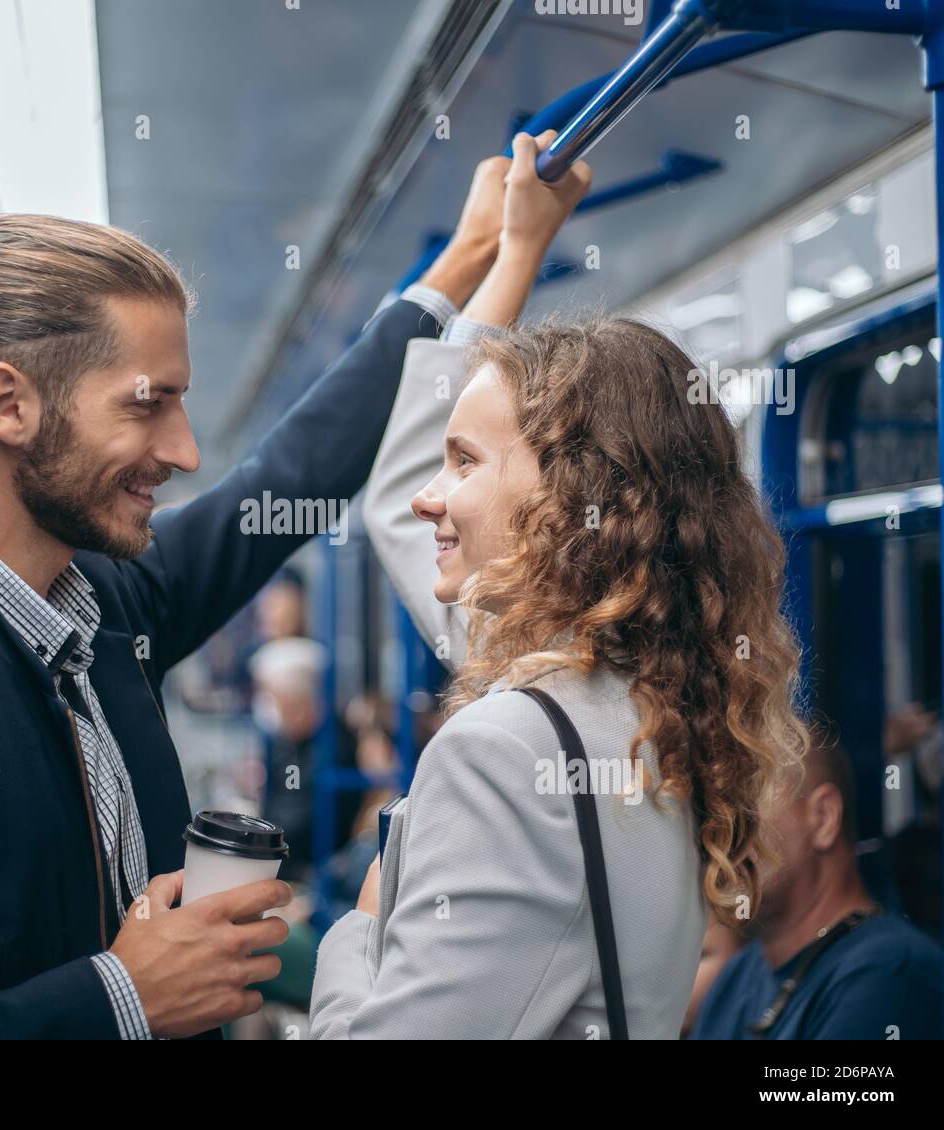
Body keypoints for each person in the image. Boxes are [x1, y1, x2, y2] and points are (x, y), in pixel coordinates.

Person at [0, 159, 514, 1039]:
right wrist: (117, 1001)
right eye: (149, 406)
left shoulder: (113, 603)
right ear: (8, 405)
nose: (187, 450)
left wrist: (474, 253)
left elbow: (294, 472)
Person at [310, 131, 809, 1039]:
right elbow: (399, 500)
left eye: (461, 462)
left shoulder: (504, 751)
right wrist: (516, 252)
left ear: (567, 500)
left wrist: (361, 926)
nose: (429, 495)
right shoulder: (650, 700)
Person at [691, 726, 942, 1039]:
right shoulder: (738, 976)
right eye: (716, 811)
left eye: (744, 802)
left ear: (823, 817)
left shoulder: (891, 972)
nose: (720, 833)